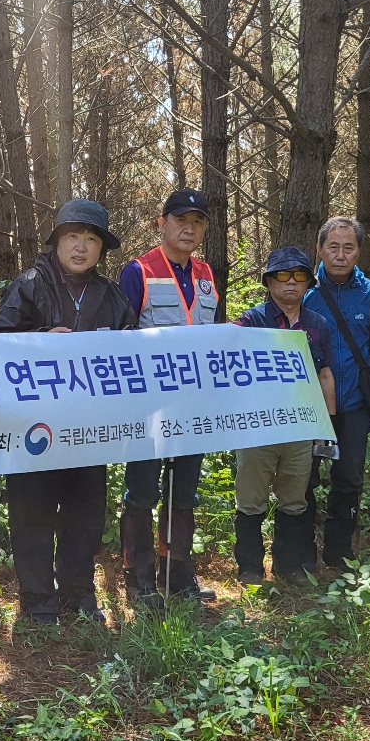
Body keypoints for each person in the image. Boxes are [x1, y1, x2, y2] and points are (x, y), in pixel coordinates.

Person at [0, 199, 137, 626]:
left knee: (85, 513)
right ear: (57, 240)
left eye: (91, 239)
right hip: (33, 425)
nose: (81, 247)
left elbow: (133, 355)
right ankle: (38, 600)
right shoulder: (30, 284)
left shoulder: (111, 295)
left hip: (89, 429)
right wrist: (40, 338)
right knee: (32, 512)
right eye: (73, 236)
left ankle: (78, 591)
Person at [117, 188, 220, 608]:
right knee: (142, 490)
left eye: (197, 221)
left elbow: (215, 335)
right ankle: (139, 580)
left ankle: (177, 576)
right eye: (180, 219)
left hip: (192, 404)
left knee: (184, 492)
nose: (188, 228)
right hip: (149, 406)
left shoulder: (207, 274)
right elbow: (122, 340)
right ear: (162, 224)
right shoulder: (137, 271)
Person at [232, 247, 336, 583]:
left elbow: (324, 374)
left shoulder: (317, 324)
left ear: (309, 282)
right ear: (268, 282)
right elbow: (228, 366)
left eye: (299, 275)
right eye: (282, 275)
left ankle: (289, 565)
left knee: (294, 499)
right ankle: (249, 567)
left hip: (300, 426)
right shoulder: (250, 321)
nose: (291, 282)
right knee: (251, 500)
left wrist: (327, 425)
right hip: (257, 427)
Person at [303, 217, 370, 567]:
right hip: (308, 406)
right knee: (302, 480)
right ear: (320, 249)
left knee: (348, 478)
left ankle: (338, 553)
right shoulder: (303, 293)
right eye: (333, 247)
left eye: (348, 247)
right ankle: (301, 554)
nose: (340, 255)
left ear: (359, 252)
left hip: (353, 405)